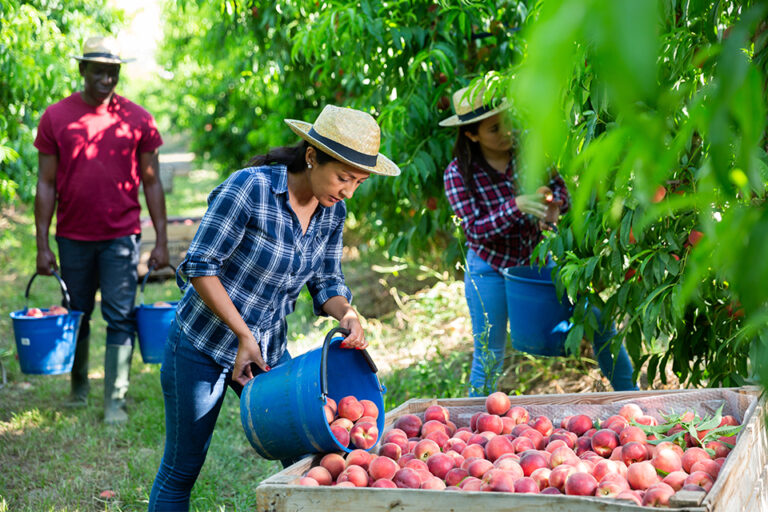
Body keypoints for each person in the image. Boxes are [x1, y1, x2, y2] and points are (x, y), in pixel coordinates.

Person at [148, 105, 400, 510]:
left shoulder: (332, 211)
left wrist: (347, 312)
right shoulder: (251, 189)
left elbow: (327, 281)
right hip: (203, 344)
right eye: (343, 177)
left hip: (266, 348)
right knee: (182, 469)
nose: (348, 191)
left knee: (307, 460)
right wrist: (242, 334)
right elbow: (199, 266)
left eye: (358, 181)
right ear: (312, 156)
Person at [439, 83, 638, 396]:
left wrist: (552, 202)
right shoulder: (457, 174)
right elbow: (474, 230)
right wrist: (515, 206)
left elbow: (561, 189)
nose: (507, 132)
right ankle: (472, 426)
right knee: (490, 353)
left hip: (536, 263)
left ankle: (631, 395)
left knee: (600, 321)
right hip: (489, 268)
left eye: (509, 122)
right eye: (494, 128)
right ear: (471, 135)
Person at [33, 36, 169, 423]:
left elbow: (152, 181)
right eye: (98, 71)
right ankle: (78, 388)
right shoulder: (57, 117)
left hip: (120, 236)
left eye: (113, 72)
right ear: (82, 70)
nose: (106, 79)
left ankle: (115, 400)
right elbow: (45, 184)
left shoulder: (138, 119)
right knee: (77, 313)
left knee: (120, 314)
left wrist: (160, 239)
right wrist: (42, 244)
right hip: (72, 236)